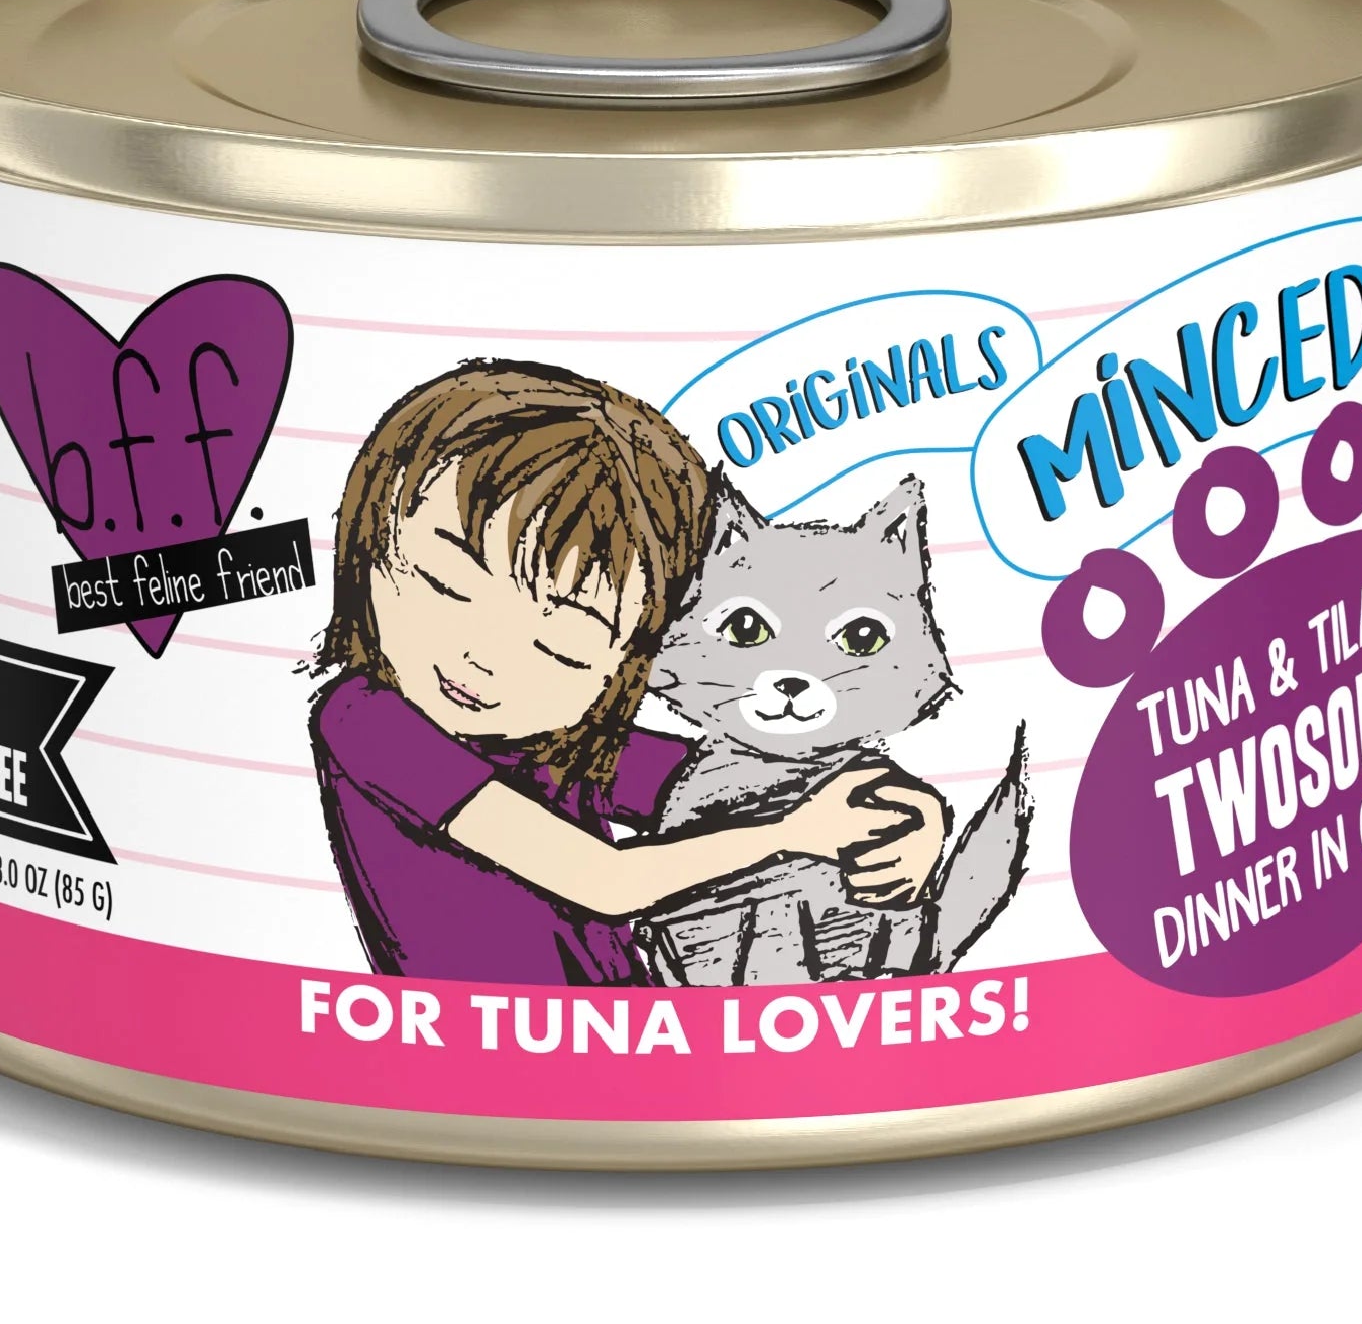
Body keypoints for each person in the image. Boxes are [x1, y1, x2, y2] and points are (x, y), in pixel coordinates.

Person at [309, 359, 942, 984]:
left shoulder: (563, 739)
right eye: (445, 585)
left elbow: (744, 780)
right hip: (479, 1032)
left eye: (560, 647)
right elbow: (602, 881)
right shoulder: (366, 719)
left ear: (630, 661)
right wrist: (792, 833)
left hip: (626, 1019)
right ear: (370, 545)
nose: (482, 659)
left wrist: (906, 814)